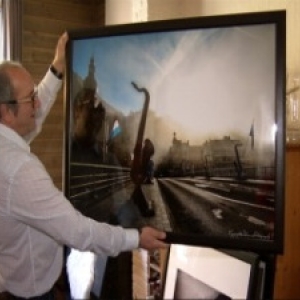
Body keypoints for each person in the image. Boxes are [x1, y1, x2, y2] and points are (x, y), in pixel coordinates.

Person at [0, 32, 167, 300]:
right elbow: (78, 231)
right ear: (6, 112)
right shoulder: (18, 170)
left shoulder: (6, 137)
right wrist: (136, 238)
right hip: (30, 293)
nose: (38, 103)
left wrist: (56, 68)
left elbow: (34, 116)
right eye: (30, 98)